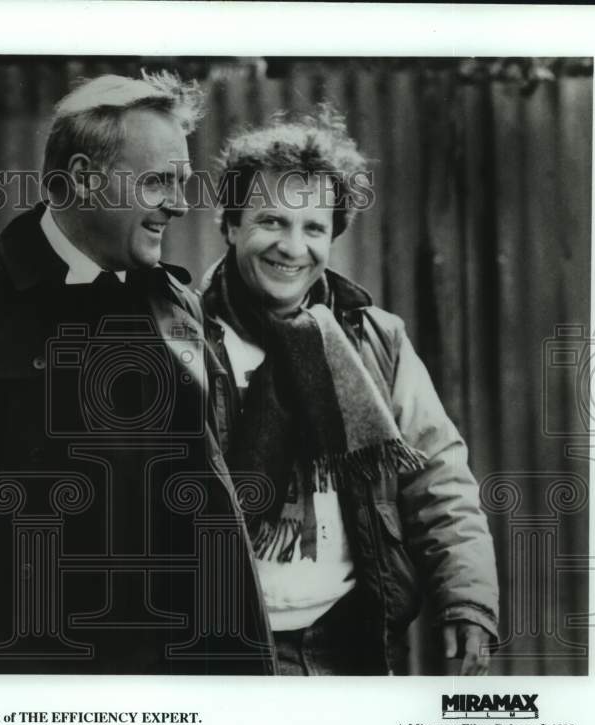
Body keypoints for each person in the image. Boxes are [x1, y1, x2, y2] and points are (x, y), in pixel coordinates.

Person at [0, 71, 277, 674]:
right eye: (158, 182)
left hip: (152, 679)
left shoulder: (177, 307)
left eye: (182, 183)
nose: (179, 205)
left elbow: (205, 500)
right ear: (81, 179)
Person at [200, 108, 500, 675]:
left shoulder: (375, 339)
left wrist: (469, 600)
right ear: (231, 224)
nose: (293, 247)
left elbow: (438, 477)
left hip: (351, 646)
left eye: (313, 228)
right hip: (226, 653)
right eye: (271, 221)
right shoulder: (185, 337)